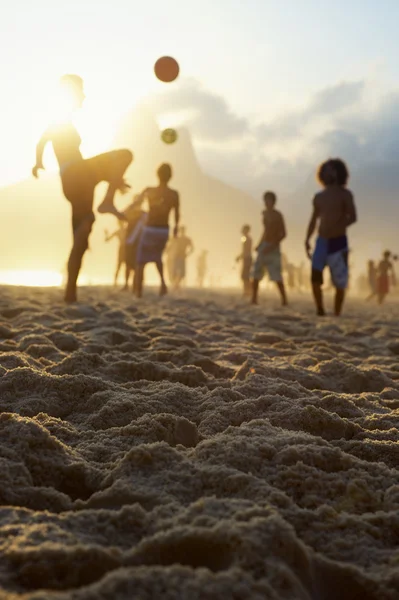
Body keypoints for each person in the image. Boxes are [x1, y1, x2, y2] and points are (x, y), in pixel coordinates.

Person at [32, 74, 133, 303]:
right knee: (125, 155)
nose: (85, 95)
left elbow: (43, 143)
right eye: (82, 91)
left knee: (81, 235)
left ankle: (70, 292)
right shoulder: (61, 118)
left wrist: (113, 178)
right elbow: (42, 141)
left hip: (74, 181)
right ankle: (107, 202)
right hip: (77, 173)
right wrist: (38, 161)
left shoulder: (63, 120)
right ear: (71, 93)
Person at [305, 158, 357, 316]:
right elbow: (314, 219)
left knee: (340, 282)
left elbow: (353, 216)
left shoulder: (345, 195)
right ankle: (320, 309)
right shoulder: (319, 197)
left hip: (339, 242)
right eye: (326, 169)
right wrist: (307, 238)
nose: (329, 172)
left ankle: (336, 313)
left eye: (332, 169)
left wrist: (339, 226)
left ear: (339, 172)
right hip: (321, 241)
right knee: (315, 276)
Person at [133, 163, 180, 297]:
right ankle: (163, 284)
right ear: (170, 176)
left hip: (150, 229)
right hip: (164, 230)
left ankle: (139, 291)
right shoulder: (174, 194)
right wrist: (175, 228)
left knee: (141, 260)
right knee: (157, 256)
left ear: (157, 175)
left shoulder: (149, 190)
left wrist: (126, 211)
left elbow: (137, 203)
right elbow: (177, 213)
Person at [251, 191, 287, 306]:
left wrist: (272, 245)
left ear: (273, 201)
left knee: (276, 275)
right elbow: (265, 231)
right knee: (256, 272)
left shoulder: (278, 215)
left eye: (269, 200)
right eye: (265, 200)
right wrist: (259, 244)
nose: (266, 203)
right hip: (264, 245)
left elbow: (283, 233)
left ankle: (284, 299)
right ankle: (254, 298)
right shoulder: (265, 214)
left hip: (274, 247)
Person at [123, 196, 148, 292]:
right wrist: (133, 204)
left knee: (139, 264)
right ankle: (126, 284)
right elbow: (122, 214)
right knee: (128, 264)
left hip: (140, 242)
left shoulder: (144, 214)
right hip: (129, 241)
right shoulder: (130, 213)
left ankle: (136, 286)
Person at [104, 222, 128, 288]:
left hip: (126, 249)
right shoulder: (121, 231)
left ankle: (125, 283)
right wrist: (106, 233)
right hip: (124, 249)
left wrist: (106, 234)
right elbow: (107, 239)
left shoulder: (126, 230)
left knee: (125, 266)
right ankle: (116, 282)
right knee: (120, 265)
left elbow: (107, 239)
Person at [236, 225, 253, 296]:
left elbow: (246, 250)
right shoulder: (246, 238)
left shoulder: (246, 238)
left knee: (245, 275)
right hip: (247, 258)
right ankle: (247, 290)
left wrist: (240, 256)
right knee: (245, 275)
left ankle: (248, 291)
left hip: (247, 258)